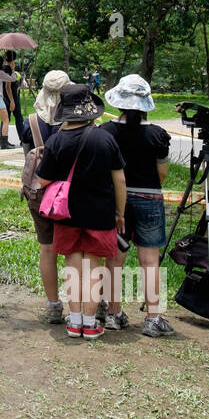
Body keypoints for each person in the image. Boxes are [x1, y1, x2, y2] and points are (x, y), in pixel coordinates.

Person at [34, 84, 125, 340]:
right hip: (100, 215)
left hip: (67, 215)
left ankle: (74, 323)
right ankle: (90, 322)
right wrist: (121, 213)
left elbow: (42, 181)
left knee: (73, 266)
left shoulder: (56, 141)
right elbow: (119, 179)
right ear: (90, 111)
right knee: (94, 267)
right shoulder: (105, 138)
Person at [101, 74, 173, 337]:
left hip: (115, 201)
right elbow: (162, 174)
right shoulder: (158, 135)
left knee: (115, 256)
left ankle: (113, 313)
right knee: (150, 259)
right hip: (150, 198)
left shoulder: (106, 132)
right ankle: (153, 318)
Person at [23, 69, 72, 323]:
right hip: (69, 193)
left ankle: (53, 305)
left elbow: (27, 157)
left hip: (40, 193)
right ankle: (84, 306)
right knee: (75, 249)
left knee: (47, 248)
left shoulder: (31, 122)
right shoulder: (75, 122)